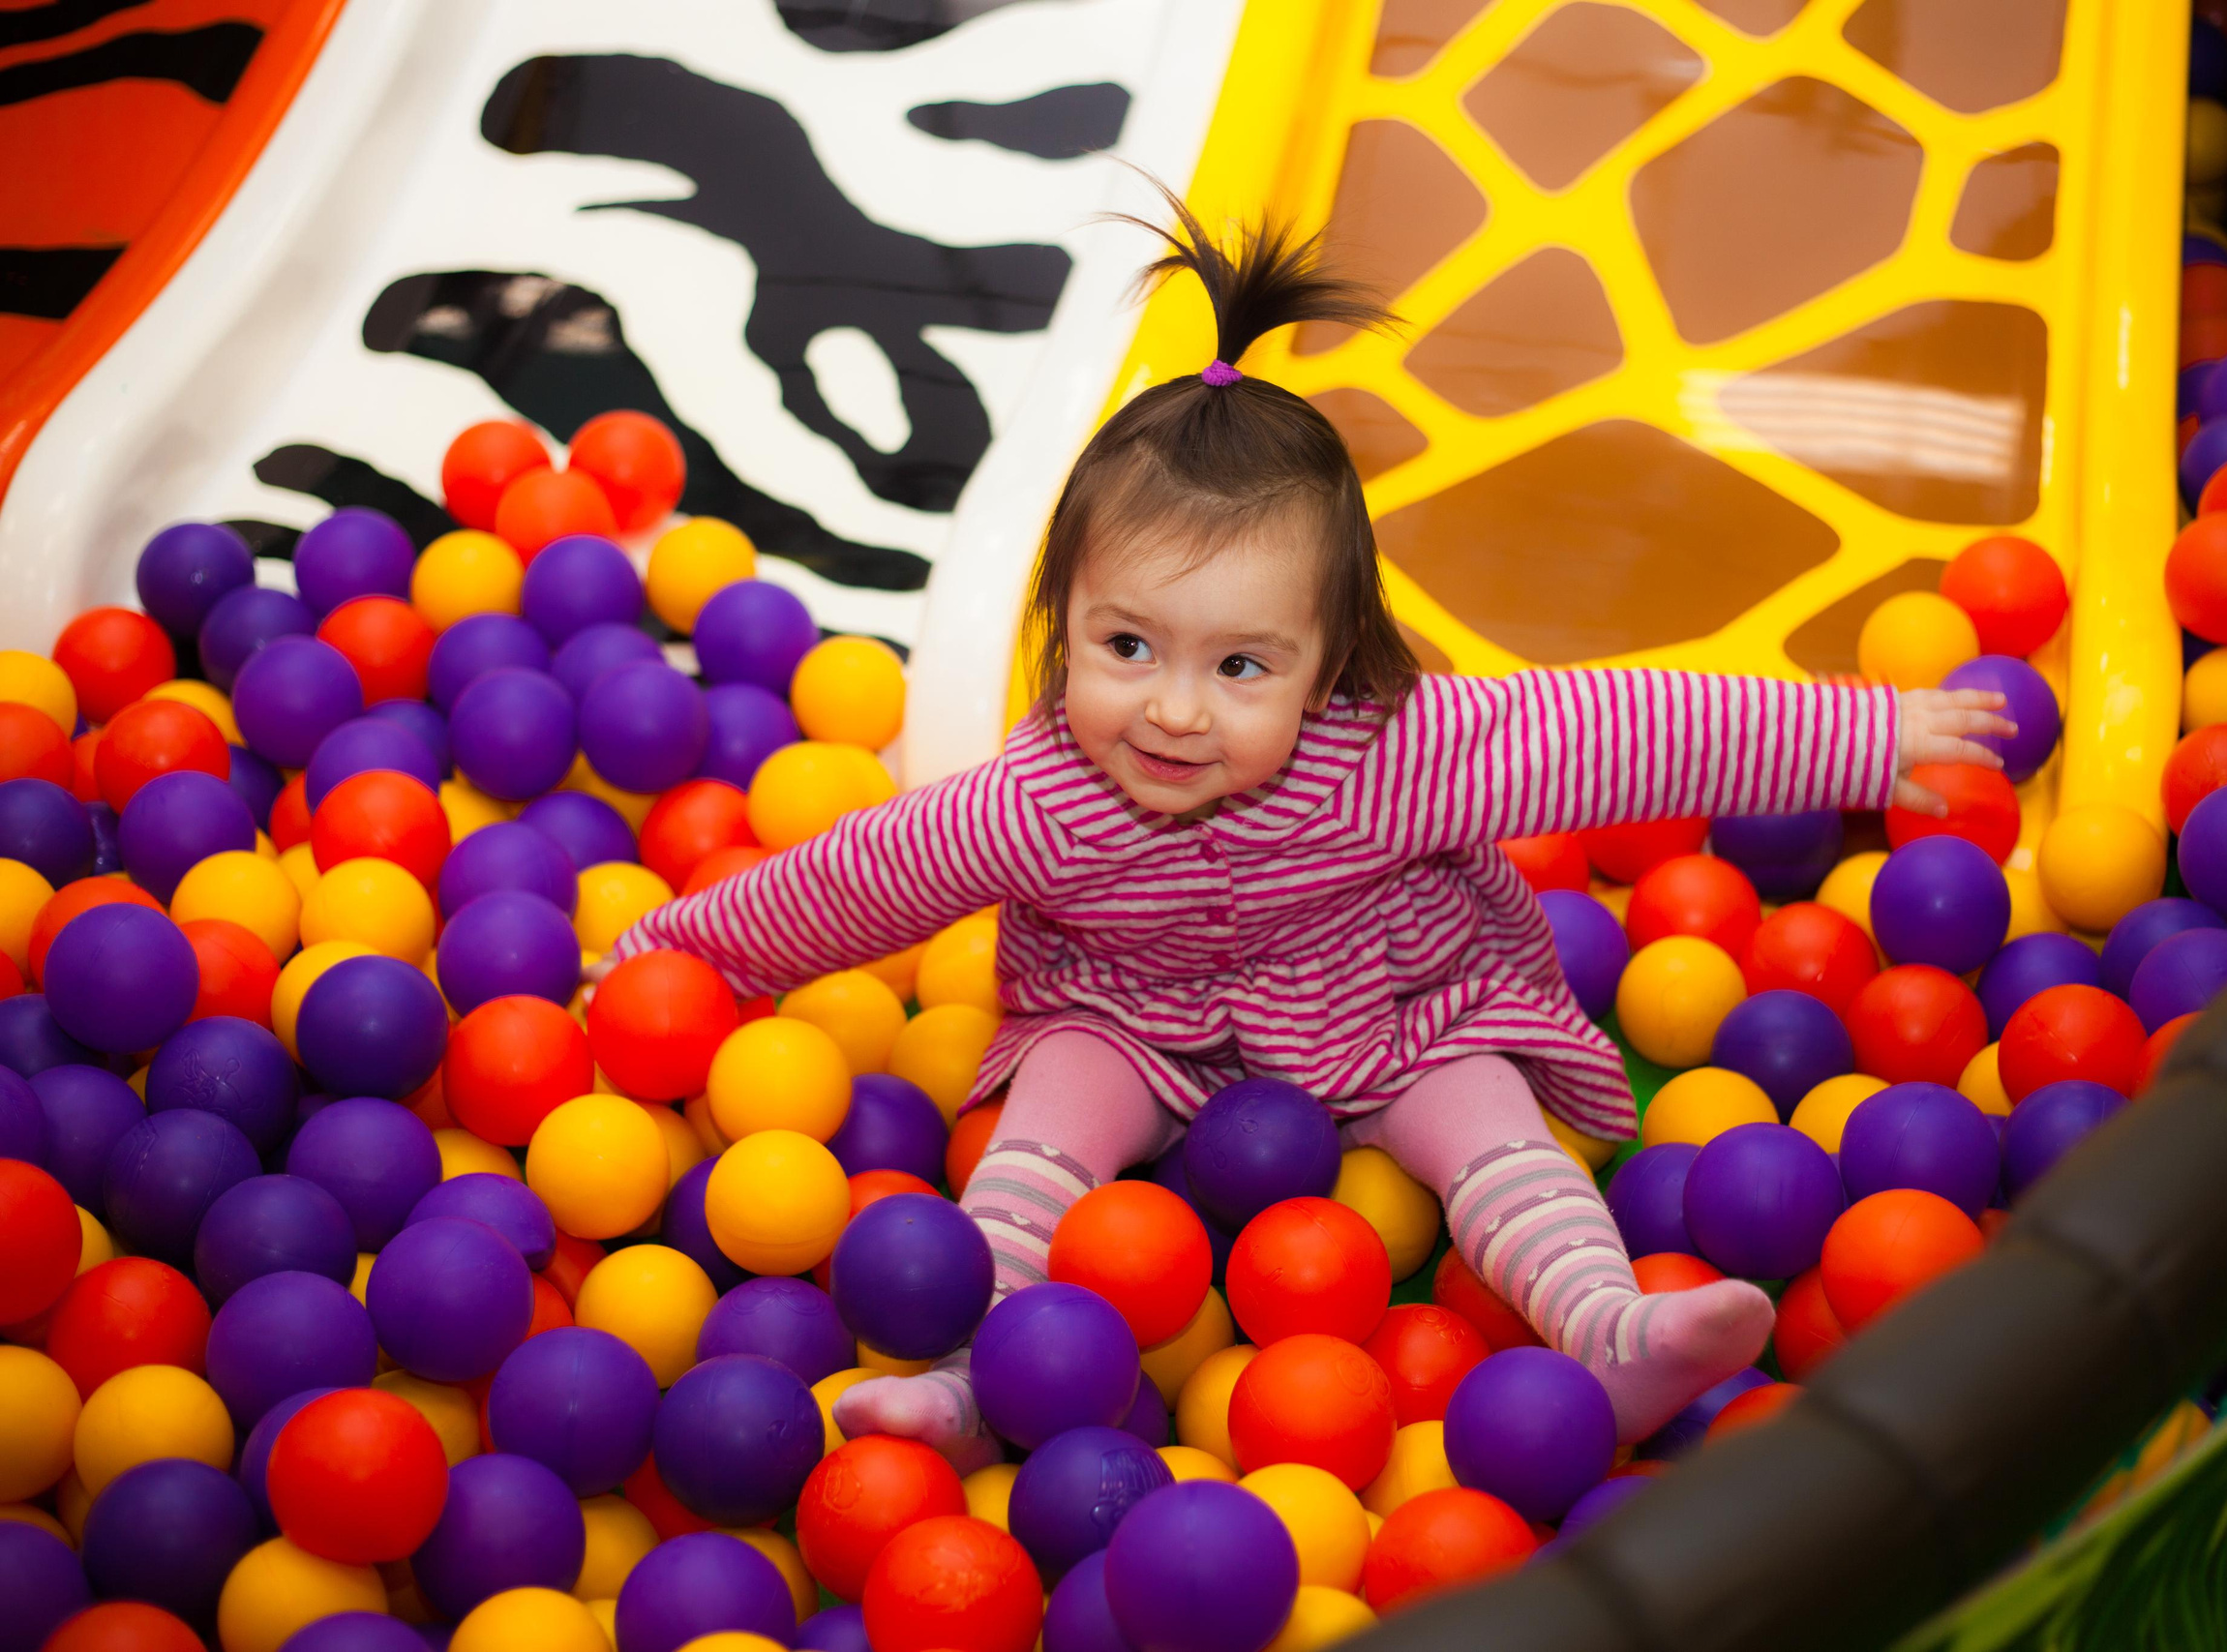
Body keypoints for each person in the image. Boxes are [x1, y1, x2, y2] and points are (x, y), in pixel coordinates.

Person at [608, 193, 2013, 1464]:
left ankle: (1606, 1330)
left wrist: (1864, 736)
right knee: (1047, 1126)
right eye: (1125, 645)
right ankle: (979, 1379)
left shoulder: (1400, 755)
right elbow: (858, 883)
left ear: (1333, 664)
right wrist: (684, 956)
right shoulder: (1035, 800)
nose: (1172, 712)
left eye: (1240, 668)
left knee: (1491, 1127)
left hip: (1396, 1013)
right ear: (1062, 626)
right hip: (1132, 1021)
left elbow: (1619, 729)